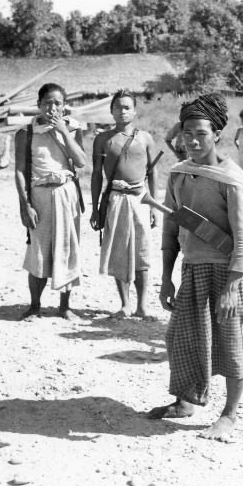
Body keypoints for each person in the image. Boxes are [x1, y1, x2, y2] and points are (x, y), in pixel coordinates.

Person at [149, 93, 243, 443]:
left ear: (217, 136)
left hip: (229, 273)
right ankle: (185, 402)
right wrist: (166, 278)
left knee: (230, 344)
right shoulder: (179, 174)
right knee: (180, 338)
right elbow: (170, 229)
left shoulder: (231, 178)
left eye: (200, 133)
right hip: (192, 270)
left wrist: (231, 287)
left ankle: (229, 415)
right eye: (187, 134)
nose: (192, 141)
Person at [14, 83, 87, 321]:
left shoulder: (74, 129)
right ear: (38, 105)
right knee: (38, 250)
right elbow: (20, 171)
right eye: (47, 102)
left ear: (65, 106)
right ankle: (34, 306)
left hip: (66, 193)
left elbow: (81, 162)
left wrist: (64, 132)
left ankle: (64, 307)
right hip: (40, 195)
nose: (52, 108)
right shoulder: (26, 133)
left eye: (57, 103)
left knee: (66, 247)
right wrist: (25, 204)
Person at [90, 89, 160, 320]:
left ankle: (142, 305)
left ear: (135, 111)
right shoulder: (103, 139)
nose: (122, 111)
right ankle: (125, 305)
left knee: (141, 253)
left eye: (127, 107)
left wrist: (154, 207)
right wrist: (95, 208)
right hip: (115, 199)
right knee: (119, 250)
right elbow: (97, 176)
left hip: (140, 199)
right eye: (118, 107)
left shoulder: (145, 138)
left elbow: (153, 172)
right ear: (111, 111)